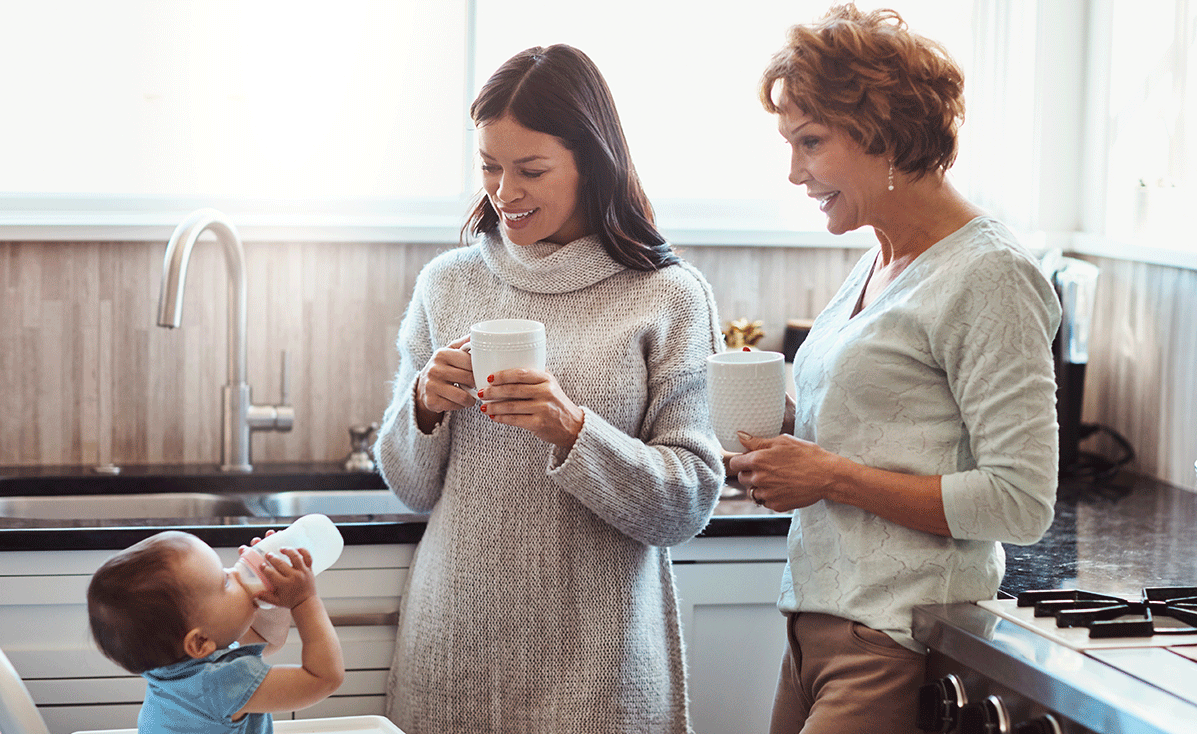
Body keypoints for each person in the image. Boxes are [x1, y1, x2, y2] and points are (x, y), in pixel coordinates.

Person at [373, 44, 725, 734]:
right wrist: (421, 405)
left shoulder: (669, 297)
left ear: (593, 164)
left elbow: (687, 503)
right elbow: (409, 488)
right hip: (452, 657)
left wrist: (574, 430)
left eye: (530, 169)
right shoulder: (447, 283)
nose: (504, 193)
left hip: (604, 671)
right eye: (490, 167)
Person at [729, 6, 1062, 734]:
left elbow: (1021, 500)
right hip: (816, 623)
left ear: (881, 131)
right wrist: (787, 435)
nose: (794, 172)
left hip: (893, 637)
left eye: (810, 142)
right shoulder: (879, 257)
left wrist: (830, 476)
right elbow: (884, 429)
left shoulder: (989, 276)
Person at [85, 530, 345, 734]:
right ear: (199, 642)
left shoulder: (176, 663)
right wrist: (305, 601)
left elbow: (267, 641)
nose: (236, 572)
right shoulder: (219, 685)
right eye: (225, 581)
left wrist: (273, 598)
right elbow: (323, 678)